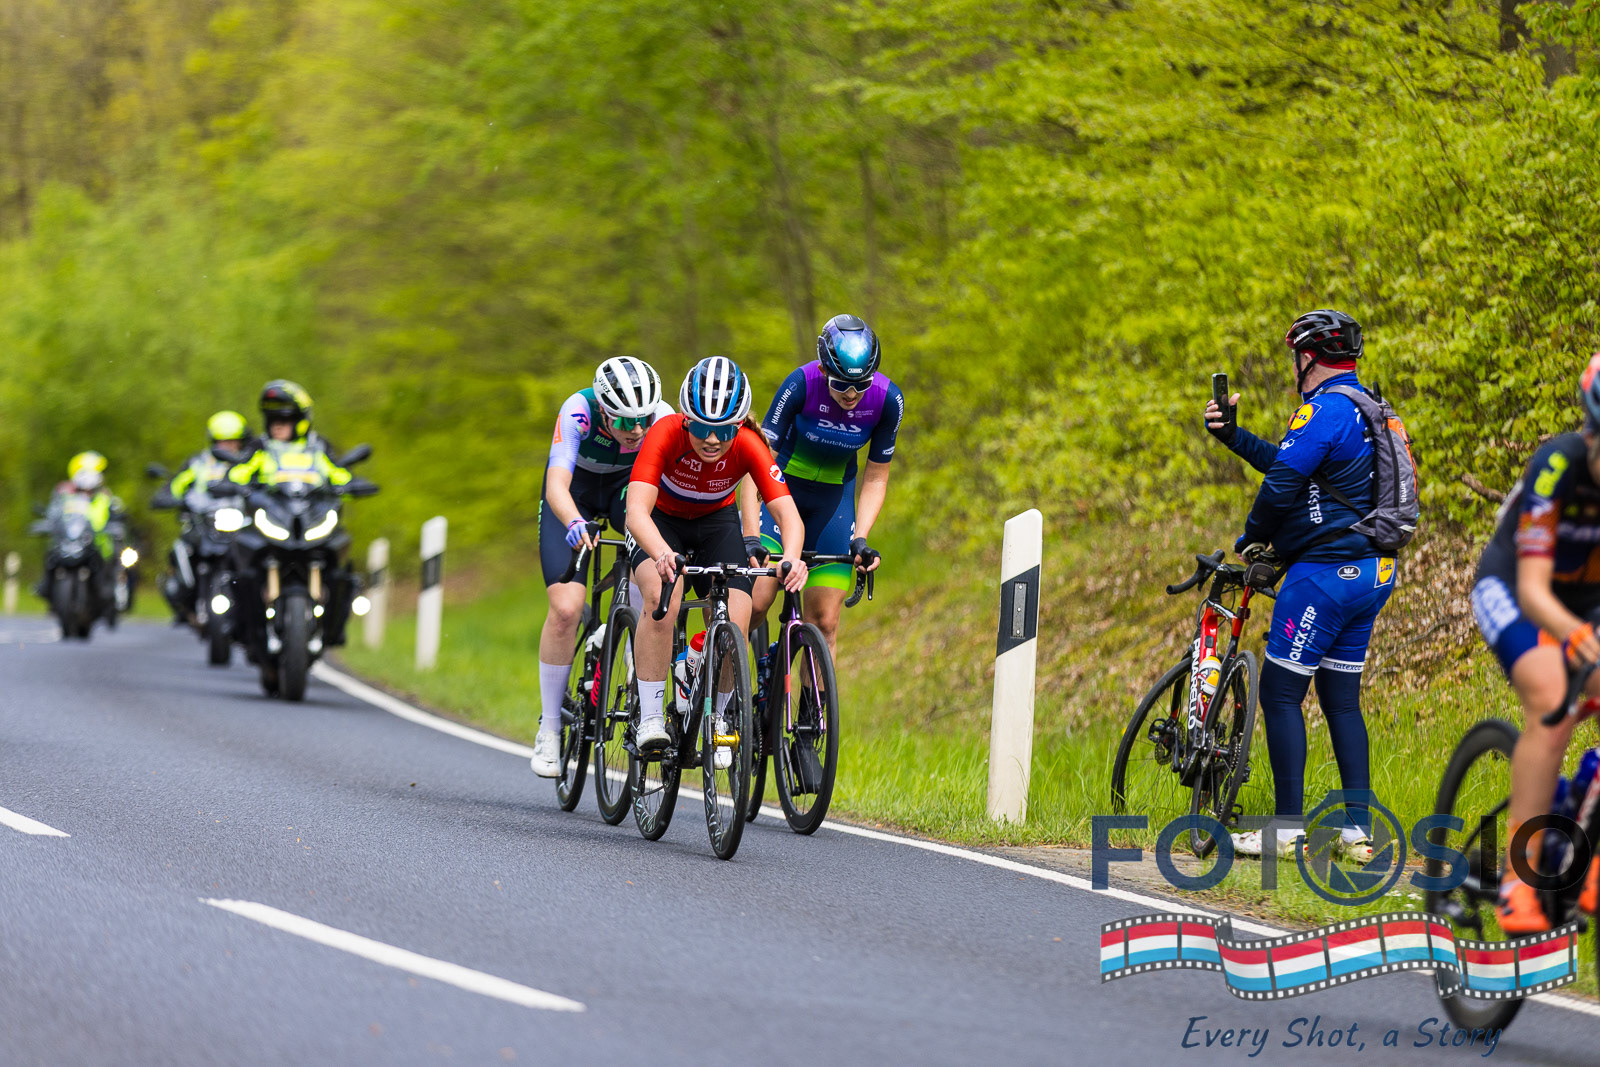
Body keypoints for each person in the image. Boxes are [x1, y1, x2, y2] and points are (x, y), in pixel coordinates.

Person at [1203, 309, 1397, 859]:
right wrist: (1235, 437)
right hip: (1374, 573)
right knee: (1341, 701)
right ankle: (1357, 834)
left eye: (1295, 357)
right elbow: (1293, 464)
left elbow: (1282, 484)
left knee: (1281, 693)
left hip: (1325, 577)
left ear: (1308, 358)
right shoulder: (1370, 407)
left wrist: (1252, 538)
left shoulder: (1324, 409)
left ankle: (1286, 830)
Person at [1472, 353, 1600, 932]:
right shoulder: (1557, 465)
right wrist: (1576, 636)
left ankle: (1582, 826)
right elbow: (1532, 590)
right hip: (1517, 587)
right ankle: (1517, 879)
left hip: (1586, 596)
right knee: (1552, 700)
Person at [626, 356, 808, 756]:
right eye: (702, 428)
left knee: (736, 622)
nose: (712, 439)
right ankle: (651, 719)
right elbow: (636, 512)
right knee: (662, 598)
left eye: (724, 430)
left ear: (738, 425)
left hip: (715, 521)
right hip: (661, 523)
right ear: (686, 420)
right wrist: (661, 553)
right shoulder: (664, 433)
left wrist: (792, 558)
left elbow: (788, 515)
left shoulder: (749, 444)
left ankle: (719, 717)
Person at [530, 357, 673, 778]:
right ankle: (550, 729)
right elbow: (557, 484)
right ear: (604, 410)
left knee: (652, 574)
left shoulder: (662, 417)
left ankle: (633, 647)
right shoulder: (578, 410)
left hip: (628, 491)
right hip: (574, 493)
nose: (637, 430)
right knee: (566, 610)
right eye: (626, 421)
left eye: (643, 419)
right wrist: (574, 522)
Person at [750, 314, 903, 654]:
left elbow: (876, 476)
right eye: (841, 384)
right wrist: (750, 533)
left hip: (833, 504)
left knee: (825, 623)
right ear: (823, 370)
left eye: (861, 384)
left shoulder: (887, 400)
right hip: (781, 494)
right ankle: (725, 679)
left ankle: (812, 691)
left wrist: (861, 538)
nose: (851, 394)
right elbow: (759, 459)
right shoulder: (800, 384)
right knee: (757, 602)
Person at [153, 410, 250, 621]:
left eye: (233, 441)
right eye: (222, 441)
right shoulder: (198, 463)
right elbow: (175, 486)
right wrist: (168, 497)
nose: (228, 446)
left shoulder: (248, 463)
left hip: (240, 525)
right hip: (203, 524)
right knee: (181, 549)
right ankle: (184, 598)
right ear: (213, 441)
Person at [226, 380, 350, 489]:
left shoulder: (318, 445)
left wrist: (350, 485)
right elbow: (236, 475)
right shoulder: (260, 447)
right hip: (270, 506)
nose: (277, 426)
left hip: (314, 507)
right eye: (272, 420)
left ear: (299, 420)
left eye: (284, 420)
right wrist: (236, 486)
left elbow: (339, 474)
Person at [39, 451, 128, 601]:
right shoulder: (64, 493)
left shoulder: (105, 496)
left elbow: (116, 514)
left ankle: (111, 593)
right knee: (51, 555)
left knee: (114, 560)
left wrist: (114, 526)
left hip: (97, 542)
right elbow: (54, 513)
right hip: (70, 540)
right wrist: (49, 524)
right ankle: (45, 586)